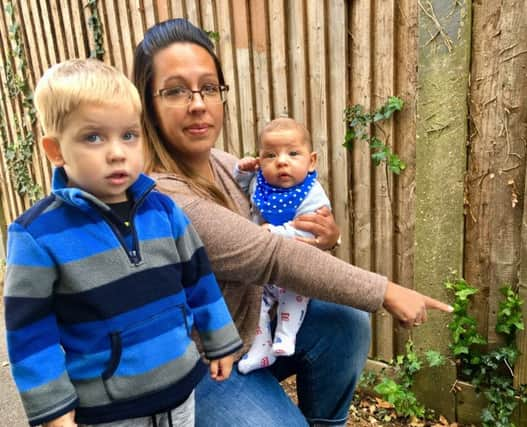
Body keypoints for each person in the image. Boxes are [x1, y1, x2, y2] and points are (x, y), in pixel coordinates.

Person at [133, 18, 452, 427]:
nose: (198, 103)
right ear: (148, 102)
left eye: (209, 87)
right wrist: (384, 290)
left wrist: (326, 237)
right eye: (175, 90)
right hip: (198, 362)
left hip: (248, 329)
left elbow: (289, 220)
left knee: (344, 321)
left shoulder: (227, 165)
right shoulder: (161, 196)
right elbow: (268, 255)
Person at [3, 59, 242, 427]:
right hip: (108, 411)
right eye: (93, 137)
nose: (117, 151)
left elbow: (198, 278)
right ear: (56, 150)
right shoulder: (37, 235)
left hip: (180, 392)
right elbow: (30, 333)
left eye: (128, 135)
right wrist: (53, 408)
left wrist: (220, 338)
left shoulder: (163, 209)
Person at [233, 117, 330, 373]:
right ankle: (262, 348)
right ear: (260, 160)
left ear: (312, 161)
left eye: (293, 153)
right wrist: (243, 170)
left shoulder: (312, 194)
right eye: (270, 155)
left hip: (292, 266)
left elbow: (307, 231)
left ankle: (285, 337)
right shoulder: (260, 184)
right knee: (256, 307)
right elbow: (242, 186)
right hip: (261, 270)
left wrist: (273, 232)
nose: (282, 161)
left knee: (294, 297)